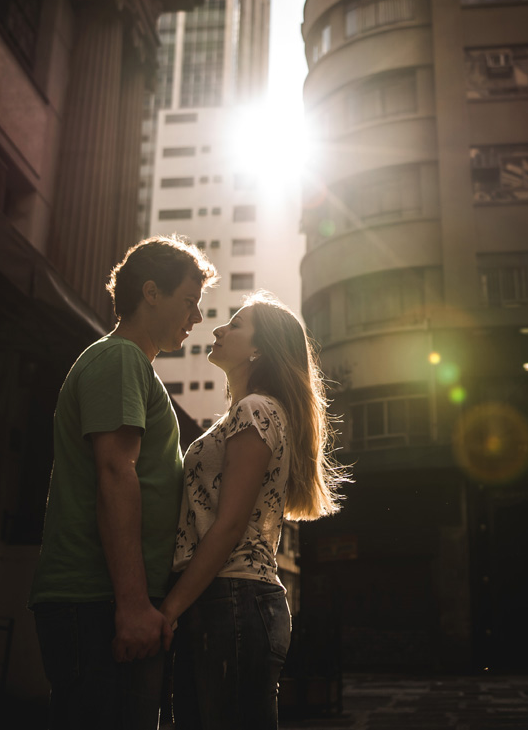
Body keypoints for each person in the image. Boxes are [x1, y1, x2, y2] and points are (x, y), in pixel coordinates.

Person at [29, 236, 218, 730]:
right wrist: (133, 605)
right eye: (189, 302)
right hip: (98, 600)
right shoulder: (118, 359)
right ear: (151, 292)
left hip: (110, 599)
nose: (196, 318)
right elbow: (116, 472)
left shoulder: (135, 367)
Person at [160, 291, 345, 730]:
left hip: (231, 601)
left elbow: (227, 527)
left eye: (236, 325)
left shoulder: (256, 409)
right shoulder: (248, 412)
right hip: (227, 600)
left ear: (259, 349)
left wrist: (170, 609)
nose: (219, 330)